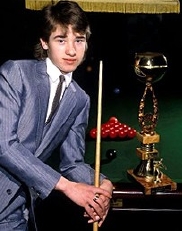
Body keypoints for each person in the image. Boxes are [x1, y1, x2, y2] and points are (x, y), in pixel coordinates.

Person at [0, 0, 113, 230]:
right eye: (61, 40)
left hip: (15, 213)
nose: (72, 50)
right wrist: (67, 187)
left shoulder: (80, 99)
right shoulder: (17, 73)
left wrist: (103, 183)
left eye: (79, 40)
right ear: (44, 42)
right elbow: (4, 146)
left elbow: (72, 164)